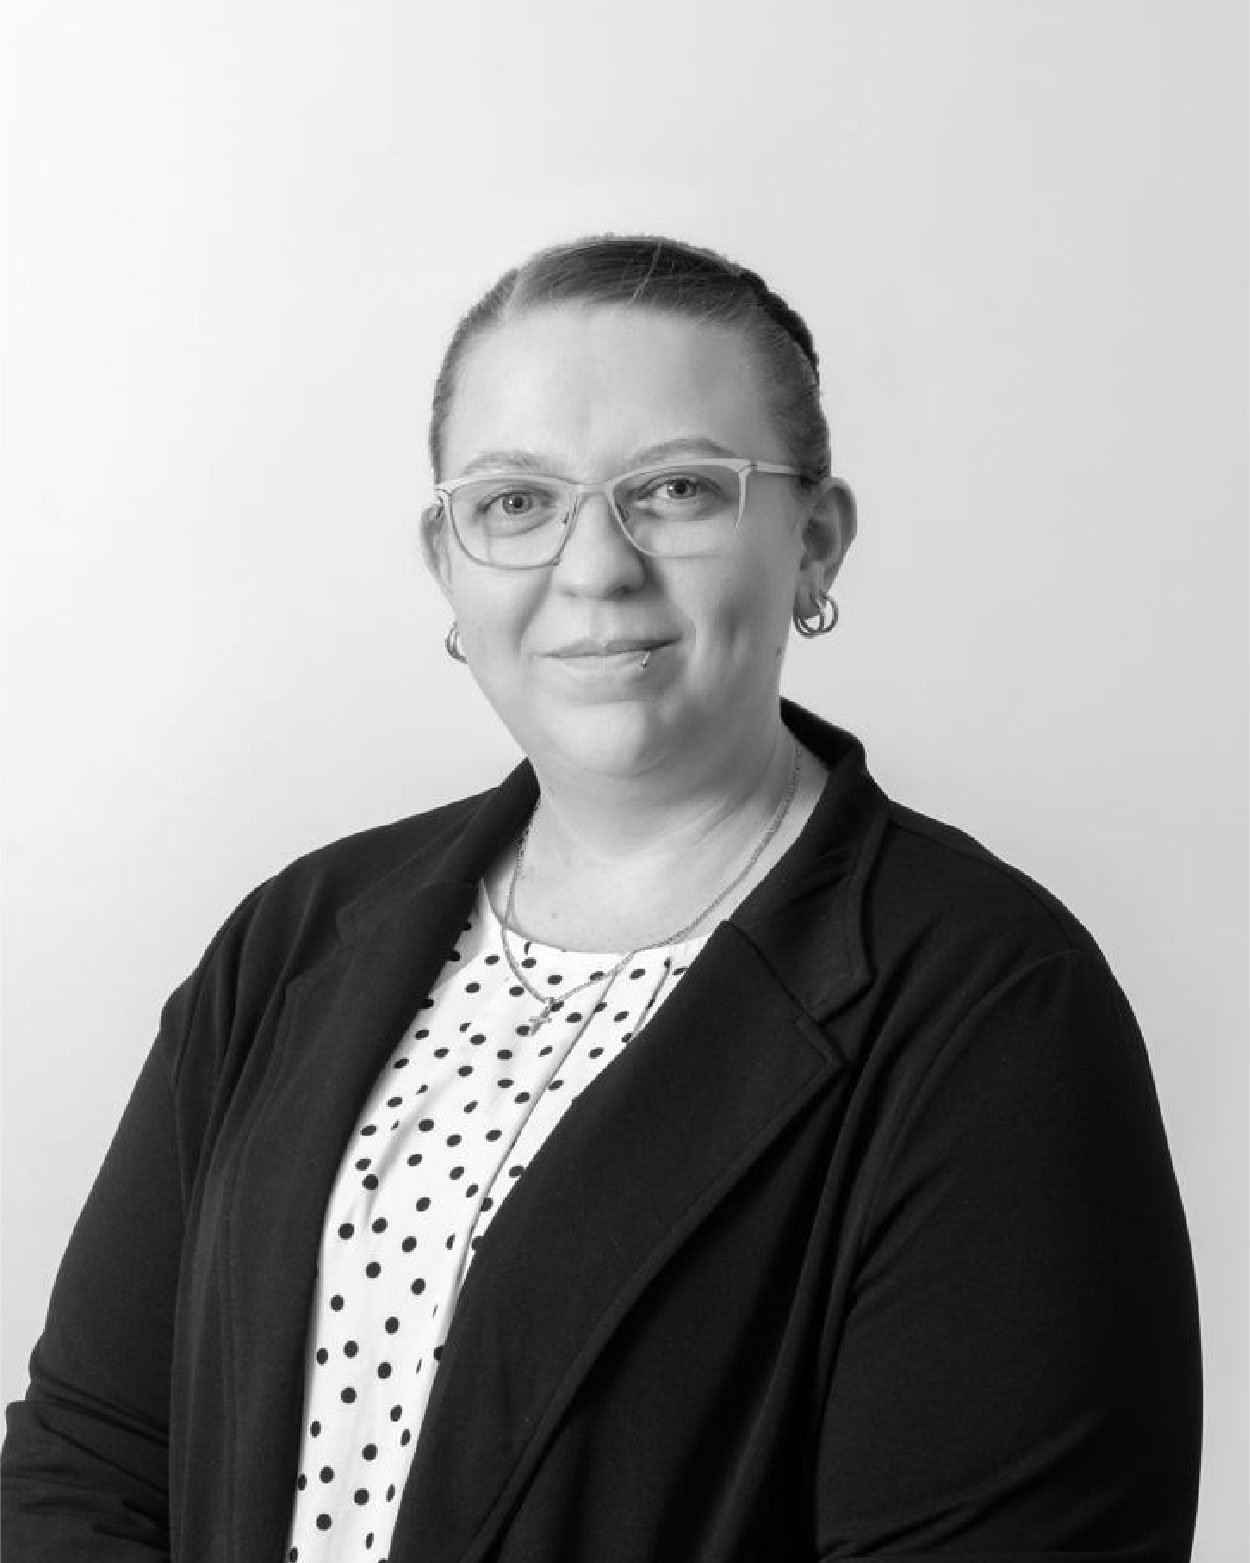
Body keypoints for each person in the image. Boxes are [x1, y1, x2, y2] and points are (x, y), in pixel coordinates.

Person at [2, 234, 1202, 1562]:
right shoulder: (295, 938)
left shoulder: (991, 1007)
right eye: (515, 503)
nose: (593, 567)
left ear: (812, 539)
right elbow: (93, 1454)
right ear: (446, 562)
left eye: (676, 489)